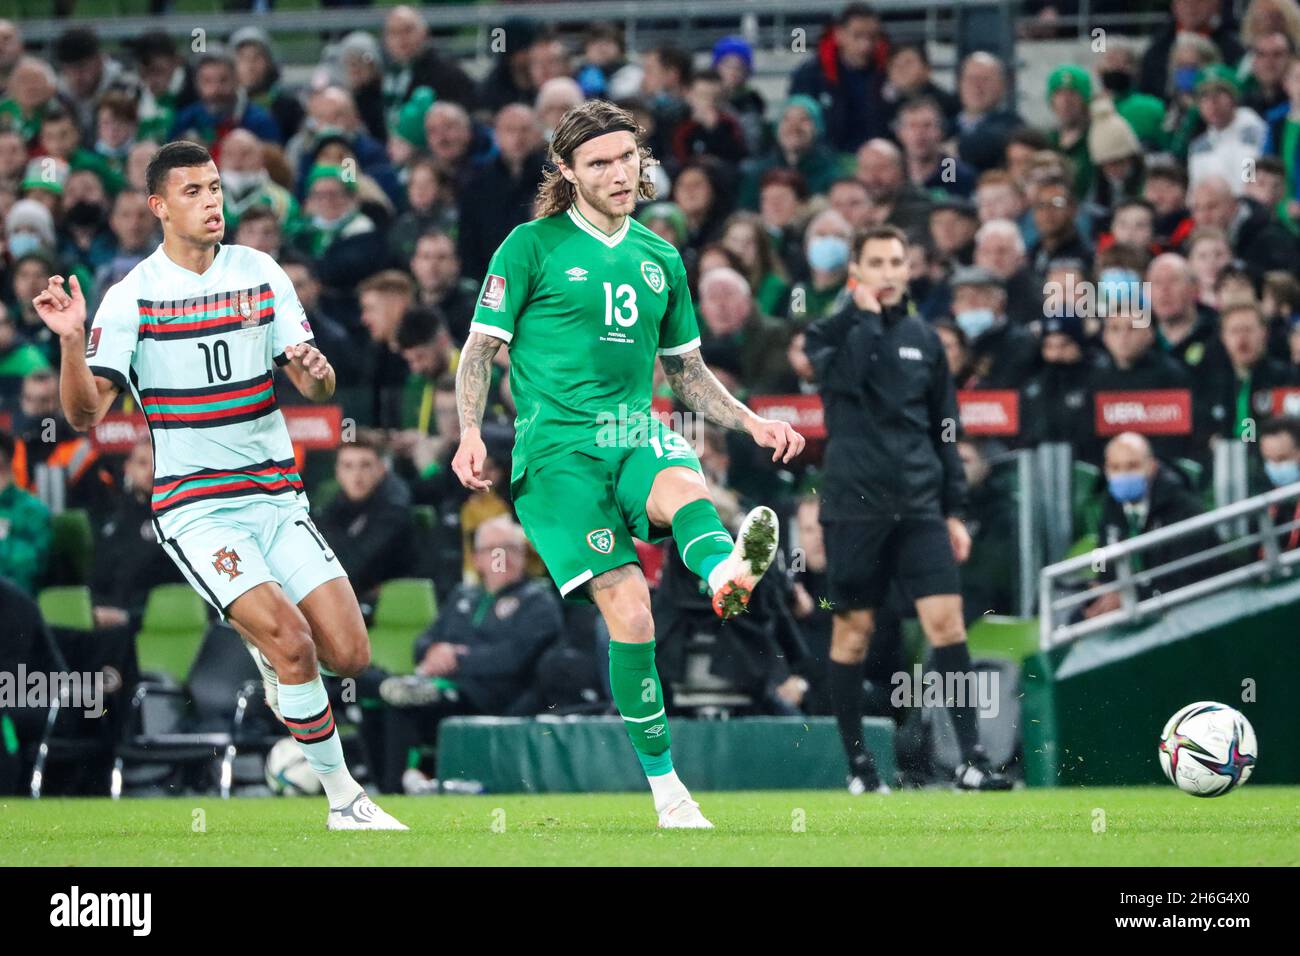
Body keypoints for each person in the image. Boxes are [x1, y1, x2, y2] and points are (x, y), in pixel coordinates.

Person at [30, 140, 404, 830]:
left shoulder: (261, 272)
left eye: (215, 189)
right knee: (292, 642)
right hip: (197, 509)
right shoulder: (132, 295)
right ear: (159, 206)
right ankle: (345, 800)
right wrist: (69, 339)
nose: (212, 203)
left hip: (277, 497)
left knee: (349, 654)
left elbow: (314, 382)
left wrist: (315, 368)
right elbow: (85, 415)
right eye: (195, 192)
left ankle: (277, 666)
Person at [451, 101, 805, 828]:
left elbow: (687, 373)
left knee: (683, 480)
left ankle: (724, 576)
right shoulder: (530, 246)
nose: (618, 173)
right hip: (556, 455)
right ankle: (669, 791)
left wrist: (750, 420)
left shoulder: (661, 256)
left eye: (626, 158)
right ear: (567, 172)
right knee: (633, 613)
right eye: (598, 162)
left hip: (631, 427)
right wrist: (468, 433)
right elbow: (480, 349)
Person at [802, 224, 1012, 794]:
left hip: (919, 507)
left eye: (899, 261)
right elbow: (847, 378)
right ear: (857, 270)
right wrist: (865, 319)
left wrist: (953, 511)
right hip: (854, 508)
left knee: (947, 626)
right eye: (878, 261)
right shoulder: (828, 332)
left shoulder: (926, 338)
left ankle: (970, 760)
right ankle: (860, 768)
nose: (891, 271)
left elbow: (947, 430)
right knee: (853, 634)